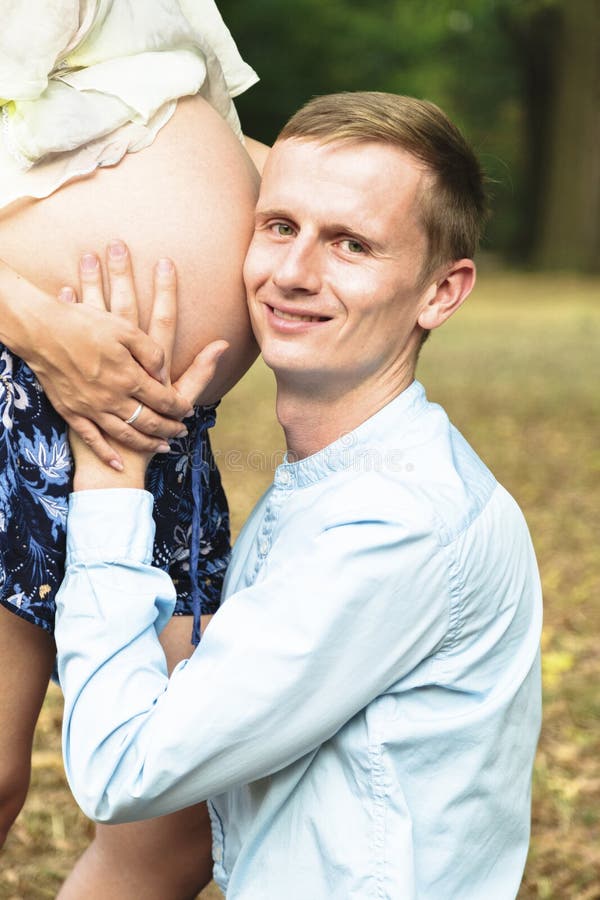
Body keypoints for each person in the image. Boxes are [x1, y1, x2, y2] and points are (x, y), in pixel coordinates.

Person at [55, 92, 542, 899]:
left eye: (351, 243)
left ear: (441, 292)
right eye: (280, 226)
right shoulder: (343, 477)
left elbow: (122, 770)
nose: (292, 273)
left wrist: (109, 477)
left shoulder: (395, 525)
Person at [0, 1, 265, 896]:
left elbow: (159, 112)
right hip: (18, 385)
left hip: (162, 429)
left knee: (178, 813)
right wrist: (36, 323)